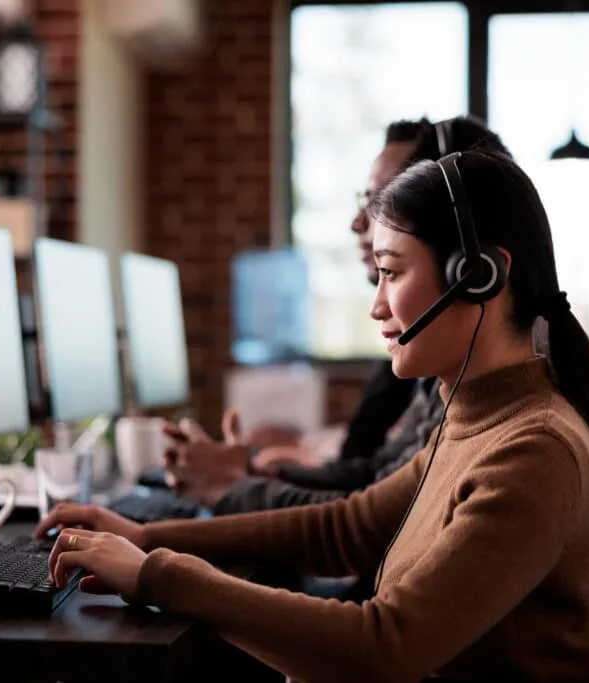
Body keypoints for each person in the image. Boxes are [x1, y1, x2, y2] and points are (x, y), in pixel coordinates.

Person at [37, 148, 589, 681]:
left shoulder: (534, 451)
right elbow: (345, 529)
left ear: (478, 276)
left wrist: (156, 575)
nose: (376, 305)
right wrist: (144, 536)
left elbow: (385, 648)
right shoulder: (476, 419)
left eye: (392, 272)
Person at [175, 116, 512, 517]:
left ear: (470, 269)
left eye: (383, 200)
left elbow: (365, 522)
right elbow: (375, 483)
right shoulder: (448, 376)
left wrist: (235, 486)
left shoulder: (501, 413)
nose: (360, 223)